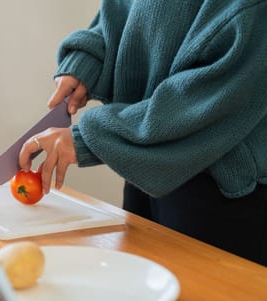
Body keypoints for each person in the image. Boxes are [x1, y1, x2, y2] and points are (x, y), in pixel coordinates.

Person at [18, 0, 267, 266]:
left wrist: (92, 138)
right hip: (145, 164)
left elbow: (211, 98)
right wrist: (89, 59)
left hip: (218, 191)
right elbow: (128, 9)